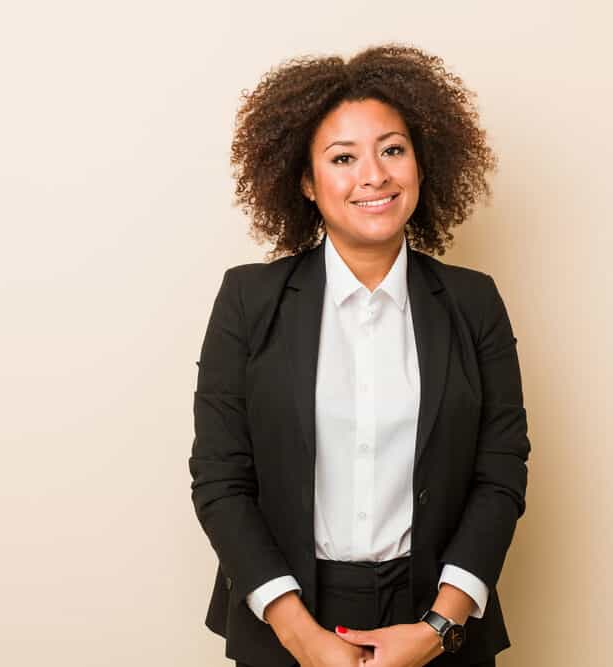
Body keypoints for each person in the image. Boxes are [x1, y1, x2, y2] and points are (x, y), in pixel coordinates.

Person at [189, 43, 530, 667]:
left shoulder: (473, 301)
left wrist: (437, 627)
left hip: (436, 619)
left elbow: (500, 473)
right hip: (285, 620)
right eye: (343, 157)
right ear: (306, 181)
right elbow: (220, 480)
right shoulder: (248, 299)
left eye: (392, 150)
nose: (374, 175)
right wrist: (301, 638)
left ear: (422, 166)